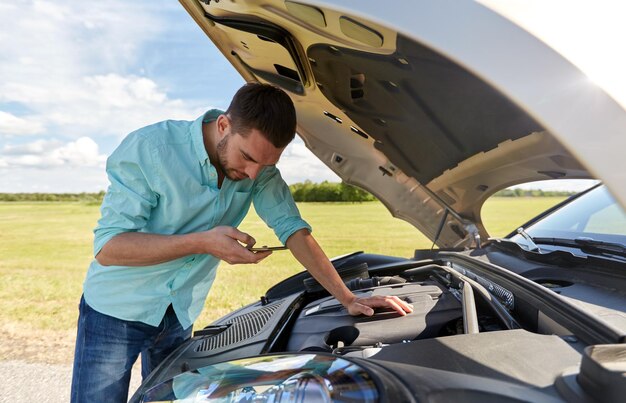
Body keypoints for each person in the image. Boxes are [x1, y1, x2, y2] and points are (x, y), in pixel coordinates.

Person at [70, 83, 413, 402]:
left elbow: (294, 231)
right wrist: (203, 242)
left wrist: (349, 298)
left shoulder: (259, 170)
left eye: (266, 165)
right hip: (115, 311)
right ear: (223, 126)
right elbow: (109, 248)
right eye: (247, 157)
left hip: (179, 312)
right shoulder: (150, 149)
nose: (253, 174)